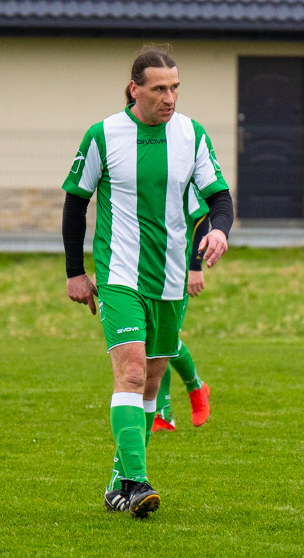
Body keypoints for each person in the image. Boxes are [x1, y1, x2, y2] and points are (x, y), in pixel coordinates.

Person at [62, 44, 234, 518]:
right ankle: (136, 483)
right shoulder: (103, 135)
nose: (169, 97)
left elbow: (219, 196)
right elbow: (75, 203)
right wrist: (75, 272)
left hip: (172, 278)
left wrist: (219, 229)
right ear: (134, 89)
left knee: (152, 381)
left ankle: (119, 482)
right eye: (159, 88)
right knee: (132, 372)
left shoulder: (193, 135)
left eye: (175, 87)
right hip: (119, 274)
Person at [153, 209, 212, 432]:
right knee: (149, 340)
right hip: (142, 266)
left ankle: (196, 388)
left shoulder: (184, 175)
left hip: (176, 270)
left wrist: (195, 267)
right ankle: (163, 413)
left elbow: (201, 216)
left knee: (166, 339)